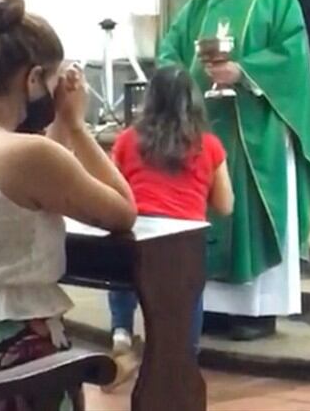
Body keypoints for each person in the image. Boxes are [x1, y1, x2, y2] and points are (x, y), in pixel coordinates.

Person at [0, 0, 137, 410]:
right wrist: (75, 124)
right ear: (33, 80)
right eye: (51, 82)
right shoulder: (27, 155)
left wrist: (59, 130)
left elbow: (41, 177)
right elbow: (123, 212)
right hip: (8, 365)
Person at [158, 0, 310, 341]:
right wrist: (185, 83)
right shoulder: (200, 4)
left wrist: (243, 72)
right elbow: (169, 51)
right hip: (204, 128)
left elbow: (291, 58)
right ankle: (214, 307)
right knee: (208, 215)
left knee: (251, 211)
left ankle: (257, 311)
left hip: (258, 129)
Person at [104, 65, 234, 391]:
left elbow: (112, 189)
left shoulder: (127, 141)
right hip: (182, 239)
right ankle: (183, 357)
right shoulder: (208, 145)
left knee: (123, 269)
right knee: (188, 293)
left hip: (138, 232)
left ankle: (121, 331)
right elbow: (225, 205)